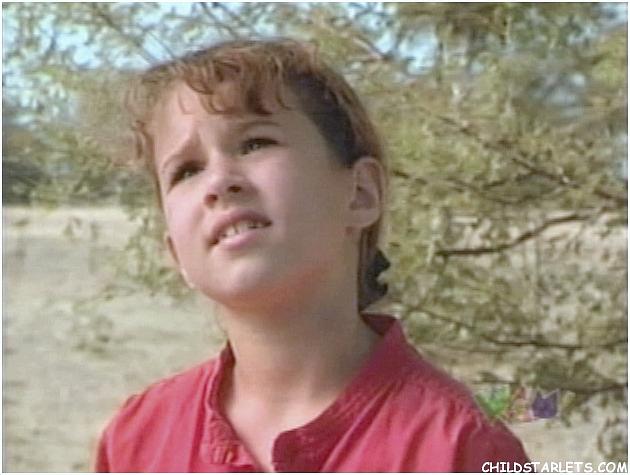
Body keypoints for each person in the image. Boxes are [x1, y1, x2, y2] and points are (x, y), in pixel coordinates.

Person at [95, 38, 529, 472]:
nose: (219, 182)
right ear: (175, 253)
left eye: (255, 143)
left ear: (361, 194)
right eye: (186, 170)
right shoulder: (136, 440)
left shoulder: (466, 446)